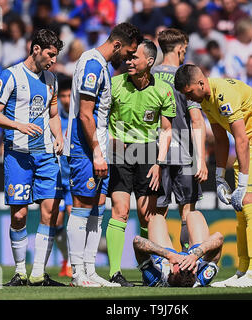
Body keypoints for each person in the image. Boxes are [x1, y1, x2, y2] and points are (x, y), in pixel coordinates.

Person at [174, 64, 252, 288]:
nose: (188, 99)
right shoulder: (204, 100)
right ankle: (243, 270)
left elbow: (240, 139)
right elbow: (221, 138)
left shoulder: (224, 94)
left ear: (201, 83)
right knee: (241, 208)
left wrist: (243, 182)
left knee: (250, 201)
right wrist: (219, 176)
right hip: (251, 143)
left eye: (189, 93)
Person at [63, 22, 143, 287]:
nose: (129, 58)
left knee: (97, 207)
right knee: (82, 206)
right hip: (85, 147)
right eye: (129, 52)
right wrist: (97, 151)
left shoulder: (103, 67)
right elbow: (86, 113)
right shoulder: (93, 64)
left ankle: (89, 270)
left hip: (99, 148)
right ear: (117, 45)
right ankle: (77, 273)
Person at [0, 29, 65, 287]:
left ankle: (39, 274)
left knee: (49, 212)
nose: (53, 60)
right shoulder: (10, 75)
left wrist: (59, 136)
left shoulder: (52, 79)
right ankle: (20, 272)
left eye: (55, 55)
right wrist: (18, 125)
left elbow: (53, 114)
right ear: (35, 49)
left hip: (45, 155)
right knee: (19, 215)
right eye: (50, 55)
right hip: (18, 155)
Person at [106, 39, 176, 287]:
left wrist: (159, 162)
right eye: (128, 57)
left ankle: (149, 268)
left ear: (149, 61)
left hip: (148, 153)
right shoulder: (114, 84)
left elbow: (166, 130)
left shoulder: (163, 90)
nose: (128, 61)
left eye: (134, 57)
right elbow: (99, 116)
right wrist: (110, 140)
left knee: (148, 215)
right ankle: (115, 273)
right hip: (120, 150)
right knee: (120, 211)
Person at [151, 28, 207, 251]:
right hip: (184, 150)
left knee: (157, 213)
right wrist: (201, 159)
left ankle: (161, 263)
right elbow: (196, 120)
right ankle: (188, 262)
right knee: (187, 211)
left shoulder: (150, 75)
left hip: (156, 152)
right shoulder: (187, 78)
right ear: (180, 48)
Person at [133, 211, 223, 287]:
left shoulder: (156, 278)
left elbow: (137, 241)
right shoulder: (201, 276)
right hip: (194, 254)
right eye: (189, 265)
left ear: (171, 271)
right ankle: (186, 245)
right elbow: (219, 237)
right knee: (194, 215)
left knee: (156, 218)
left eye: (181, 264)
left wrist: (169, 255)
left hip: (165, 255)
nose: (183, 260)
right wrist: (194, 256)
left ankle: (183, 247)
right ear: (194, 271)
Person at [55, 78, 73, 278]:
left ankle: (75, 263)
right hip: (56, 178)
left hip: (73, 179)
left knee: (72, 220)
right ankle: (66, 259)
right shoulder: (55, 119)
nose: (66, 99)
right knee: (55, 223)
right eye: (63, 96)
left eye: (69, 95)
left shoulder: (78, 118)